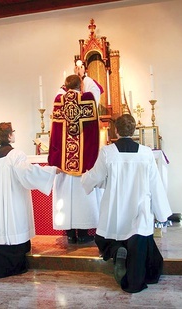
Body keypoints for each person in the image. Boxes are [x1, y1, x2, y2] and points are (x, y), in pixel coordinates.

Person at [81, 114, 172, 293]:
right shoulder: (146, 153)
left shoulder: (108, 152)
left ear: (116, 130)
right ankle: (134, 272)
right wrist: (162, 213)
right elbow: (155, 184)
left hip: (115, 209)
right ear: (134, 130)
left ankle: (116, 251)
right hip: (139, 209)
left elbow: (96, 176)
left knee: (104, 238)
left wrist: (86, 178)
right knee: (140, 240)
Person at [0, 122, 60, 279]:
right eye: (13, 131)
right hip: (14, 203)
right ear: (9, 136)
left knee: (2, 240)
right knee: (18, 244)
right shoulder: (15, 155)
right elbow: (29, 174)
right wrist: (52, 170)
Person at [48, 72, 102, 244]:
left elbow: (55, 133)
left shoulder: (59, 100)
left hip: (64, 160)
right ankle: (84, 233)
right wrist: (91, 156)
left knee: (65, 196)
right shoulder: (87, 98)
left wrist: (55, 156)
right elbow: (92, 133)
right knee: (82, 196)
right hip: (83, 159)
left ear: (65, 86)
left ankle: (70, 233)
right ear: (81, 85)